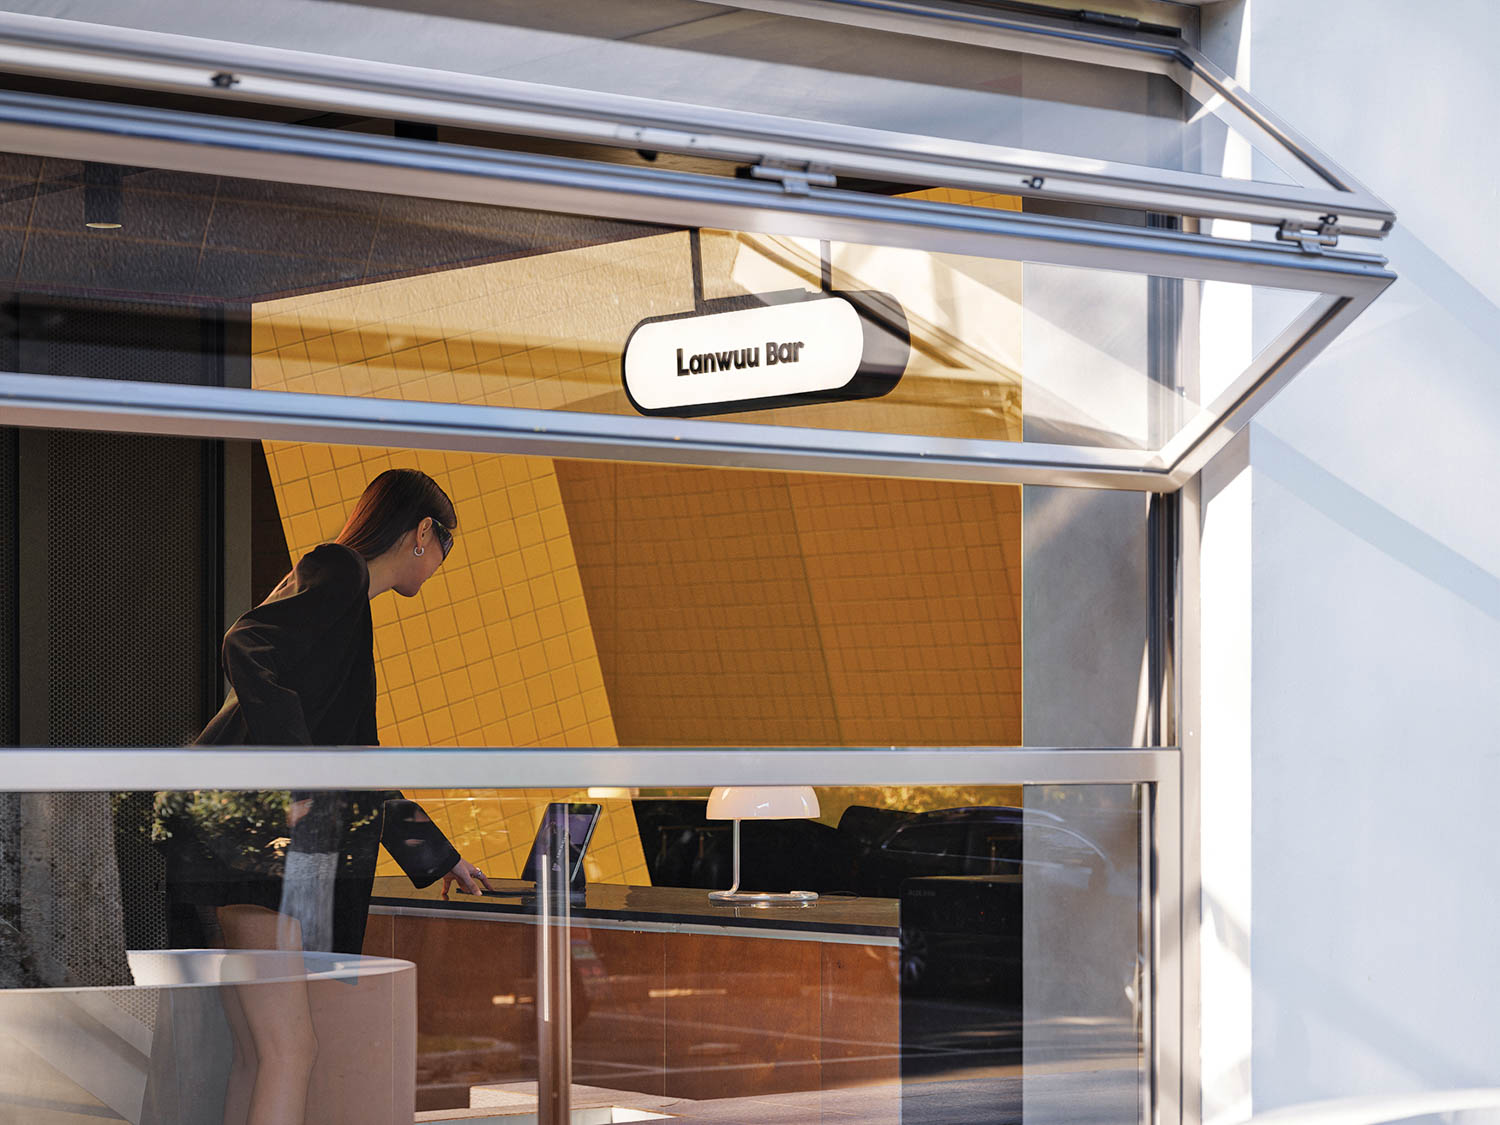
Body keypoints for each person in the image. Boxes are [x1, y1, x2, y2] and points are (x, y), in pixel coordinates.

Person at [151, 467, 494, 1125]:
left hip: (234, 833)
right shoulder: (336, 572)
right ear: (422, 532)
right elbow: (244, 641)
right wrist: (296, 777)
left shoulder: (340, 600)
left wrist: (437, 853)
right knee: (290, 1046)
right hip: (256, 839)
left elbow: (356, 760)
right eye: (445, 544)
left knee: (260, 1049)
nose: (442, 562)